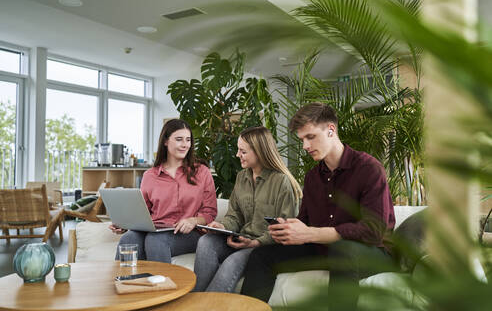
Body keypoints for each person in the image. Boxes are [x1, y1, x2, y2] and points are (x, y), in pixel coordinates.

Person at [240, 103, 396, 310]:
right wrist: (289, 229)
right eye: (302, 139)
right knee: (261, 256)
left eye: (310, 137)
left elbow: (374, 231)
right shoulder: (313, 177)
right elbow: (305, 221)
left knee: (343, 250)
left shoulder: (369, 169)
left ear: (331, 130)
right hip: (326, 249)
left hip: (371, 253)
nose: (305, 145)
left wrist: (311, 234)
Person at [193, 126, 302, 293]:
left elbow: (285, 227)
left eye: (242, 151)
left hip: (262, 247)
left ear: (259, 151)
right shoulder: (241, 177)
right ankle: (195, 300)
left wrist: (255, 242)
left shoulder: (282, 182)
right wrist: (222, 227)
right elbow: (235, 215)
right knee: (205, 242)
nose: (238, 155)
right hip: (240, 239)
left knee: (232, 262)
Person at [110, 119, 217, 263]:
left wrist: (193, 220)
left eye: (188, 140)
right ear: (166, 141)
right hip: (156, 229)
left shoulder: (202, 172)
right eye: (179, 139)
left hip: (188, 233)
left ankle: (162, 285)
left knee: (156, 240)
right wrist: (125, 224)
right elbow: (143, 212)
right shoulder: (150, 175)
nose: (185, 144)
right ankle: (124, 283)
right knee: (128, 238)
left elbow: (210, 211)